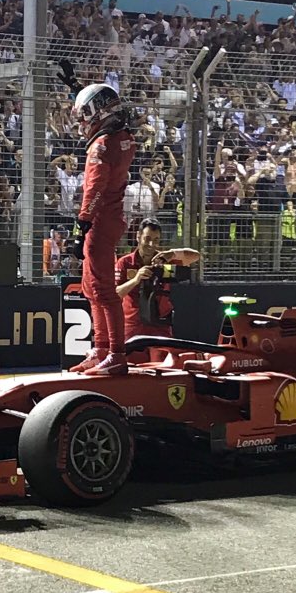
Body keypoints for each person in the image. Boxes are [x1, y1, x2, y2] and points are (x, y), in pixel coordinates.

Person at [63, 79, 135, 376]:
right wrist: (75, 85)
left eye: (84, 115)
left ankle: (115, 353)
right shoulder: (122, 136)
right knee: (92, 288)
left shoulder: (101, 146)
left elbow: (93, 189)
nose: (82, 122)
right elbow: (104, 101)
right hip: (110, 217)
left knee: (102, 290)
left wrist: (81, 226)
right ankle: (102, 348)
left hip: (100, 221)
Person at [115, 217, 200, 345]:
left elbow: (195, 256)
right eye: (147, 239)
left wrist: (172, 254)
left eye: (156, 240)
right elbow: (115, 294)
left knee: (162, 363)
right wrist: (136, 280)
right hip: (133, 325)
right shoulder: (125, 263)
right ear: (138, 236)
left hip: (160, 326)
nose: (151, 245)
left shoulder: (164, 259)